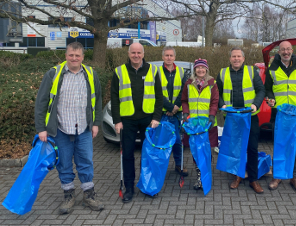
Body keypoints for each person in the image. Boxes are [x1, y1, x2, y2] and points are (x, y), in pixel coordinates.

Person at [34, 42, 104, 214]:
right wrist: (41, 128)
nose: (74, 58)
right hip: (61, 129)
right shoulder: (53, 74)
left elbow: (98, 99)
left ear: (82, 57)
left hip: (84, 128)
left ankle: (89, 195)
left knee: (86, 162)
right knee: (64, 164)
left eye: (77, 55)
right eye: (71, 55)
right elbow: (41, 102)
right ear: (66, 56)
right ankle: (68, 195)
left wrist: (96, 124)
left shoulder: (90, 74)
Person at [110, 43, 163, 202]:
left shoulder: (153, 70)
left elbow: (159, 96)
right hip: (127, 120)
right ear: (128, 53)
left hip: (148, 119)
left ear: (143, 53)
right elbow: (114, 97)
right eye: (133, 52)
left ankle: (148, 185)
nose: (136, 55)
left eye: (139, 52)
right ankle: (129, 188)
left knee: (149, 155)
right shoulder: (119, 71)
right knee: (127, 155)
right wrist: (117, 120)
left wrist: (157, 117)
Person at [264, 41, 296, 193]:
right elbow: (267, 89)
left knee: (295, 147)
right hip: (279, 114)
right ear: (279, 52)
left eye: (288, 49)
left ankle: (294, 177)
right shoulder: (271, 69)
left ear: (292, 50)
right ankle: (277, 176)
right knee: (279, 144)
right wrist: (270, 98)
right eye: (283, 49)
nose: (285, 52)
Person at [216, 47, 266, 194]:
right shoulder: (223, 72)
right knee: (236, 148)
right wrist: (221, 104)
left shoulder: (252, 71)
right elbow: (216, 92)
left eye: (239, 56)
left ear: (243, 59)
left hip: (250, 117)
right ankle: (237, 176)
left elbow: (261, 90)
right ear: (230, 58)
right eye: (233, 56)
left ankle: (253, 179)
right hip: (232, 118)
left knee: (252, 148)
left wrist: (255, 104)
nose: (236, 59)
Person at [181, 58, 219, 190]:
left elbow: (215, 101)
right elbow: (184, 100)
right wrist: (185, 113)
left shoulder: (212, 83)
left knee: (206, 150)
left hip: (208, 124)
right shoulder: (188, 83)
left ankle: (206, 175)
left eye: (203, 68)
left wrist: (212, 115)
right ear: (195, 70)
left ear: (206, 69)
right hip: (193, 124)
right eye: (198, 68)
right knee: (195, 151)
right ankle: (199, 176)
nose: (200, 70)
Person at [159, 46, 189, 177]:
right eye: (166, 55)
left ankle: (179, 164)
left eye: (171, 55)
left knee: (178, 141)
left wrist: (175, 107)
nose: (169, 58)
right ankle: (161, 166)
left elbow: (184, 90)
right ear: (163, 57)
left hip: (177, 113)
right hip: (162, 113)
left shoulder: (182, 72)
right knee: (162, 142)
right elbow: (156, 92)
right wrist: (169, 107)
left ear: (174, 57)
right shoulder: (156, 72)